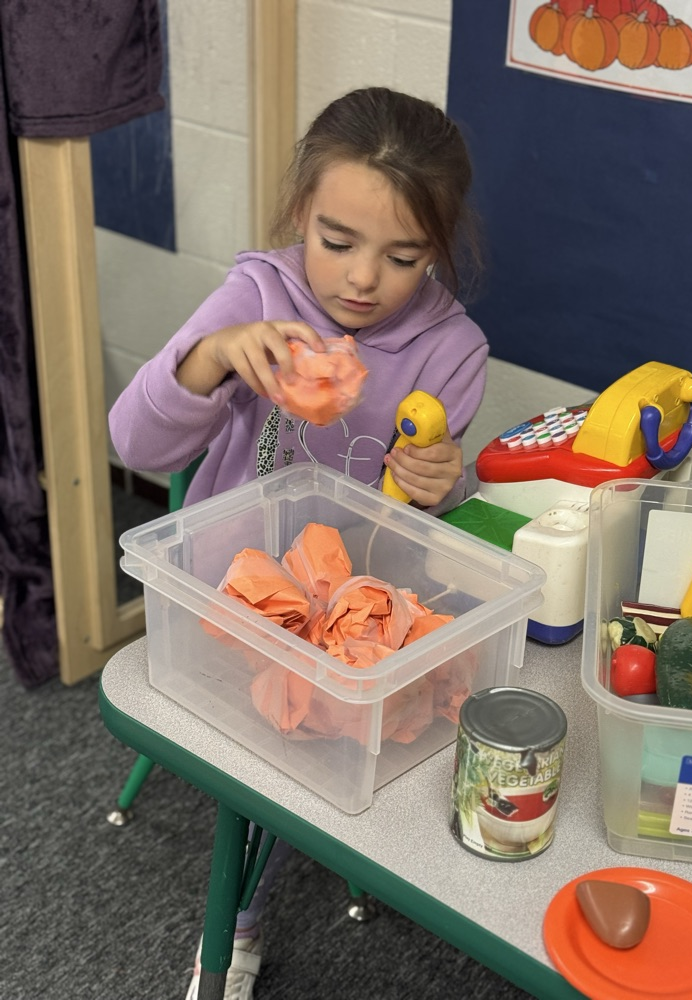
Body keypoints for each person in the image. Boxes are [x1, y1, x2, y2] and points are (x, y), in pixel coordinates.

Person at [109, 86, 489, 1000]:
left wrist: (445, 485)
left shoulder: (452, 349)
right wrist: (212, 358)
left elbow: (424, 538)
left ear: (439, 248)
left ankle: (256, 879)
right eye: (336, 241)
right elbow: (135, 445)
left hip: (349, 619)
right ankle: (232, 928)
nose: (362, 280)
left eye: (403, 257)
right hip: (217, 594)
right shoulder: (256, 296)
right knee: (272, 764)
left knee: (316, 749)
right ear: (297, 216)